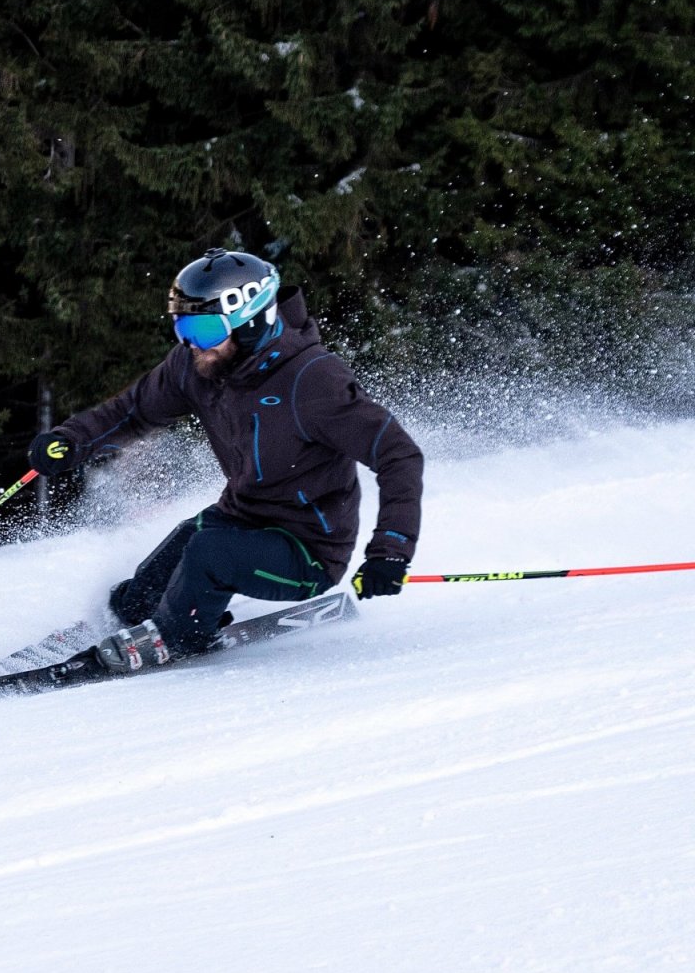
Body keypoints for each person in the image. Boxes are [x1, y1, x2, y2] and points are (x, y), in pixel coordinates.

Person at [28, 248, 424, 672]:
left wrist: (391, 551)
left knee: (209, 554)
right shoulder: (199, 364)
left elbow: (398, 454)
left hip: (308, 547)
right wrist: (72, 440)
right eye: (183, 328)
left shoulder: (312, 380)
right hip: (241, 516)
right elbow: (134, 409)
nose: (191, 344)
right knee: (177, 552)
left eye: (203, 329)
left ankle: (177, 636)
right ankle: (126, 617)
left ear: (250, 320)